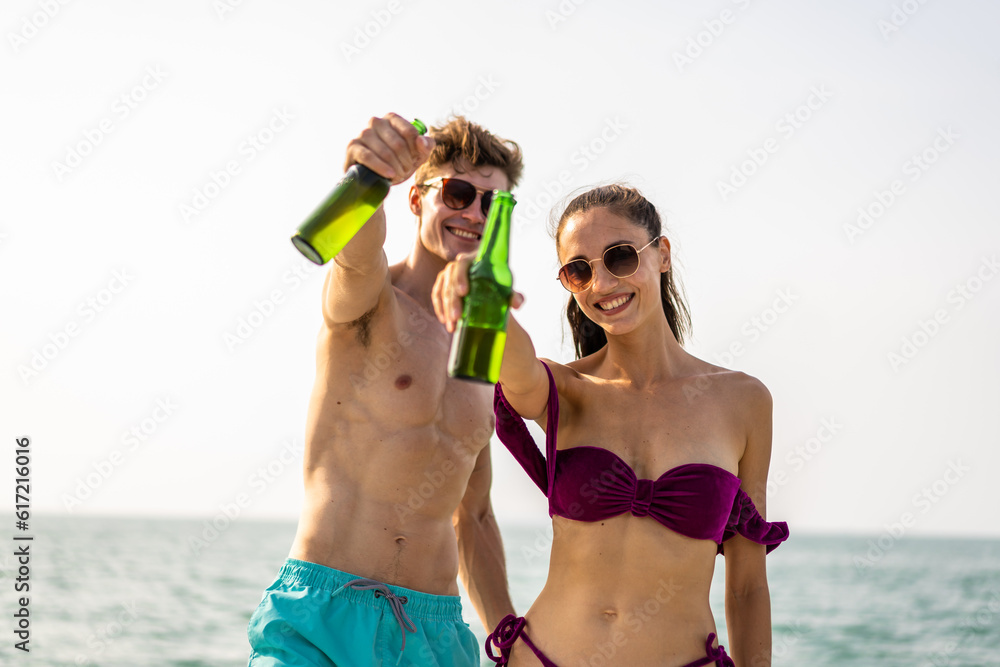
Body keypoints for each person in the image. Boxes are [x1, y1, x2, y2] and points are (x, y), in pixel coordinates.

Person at [433, 184, 789, 666]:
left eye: (620, 257)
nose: (601, 284)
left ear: (662, 254)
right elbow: (513, 362)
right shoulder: (564, 390)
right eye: (579, 271)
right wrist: (484, 298)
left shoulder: (743, 401)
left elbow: (747, 586)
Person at [247, 114, 524, 666]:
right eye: (459, 192)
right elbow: (356, 253)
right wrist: (366, 177)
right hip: (324, 615)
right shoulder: (371, 302)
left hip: (436, 636)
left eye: (492, 205)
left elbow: (474, 514)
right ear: (417, 199)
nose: (474, 213)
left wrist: (509, 643)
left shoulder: (481, 344)